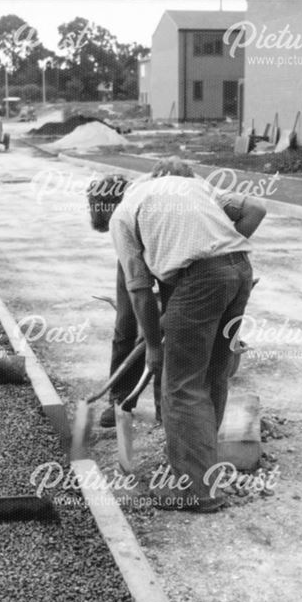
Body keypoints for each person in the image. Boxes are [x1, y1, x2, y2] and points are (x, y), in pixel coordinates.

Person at [90, 171, 266, 512]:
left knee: (181, 387)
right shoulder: (187, 184)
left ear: (108, 207)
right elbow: (255, 208)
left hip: (199, 280)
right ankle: (206, 474)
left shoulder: (123, 216)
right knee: (213, 376)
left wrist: (154, 348)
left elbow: (139, 290)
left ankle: (195, 491)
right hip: (239, 270)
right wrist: (220, 261)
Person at [96, 159, 197, 429]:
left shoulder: (195, 191)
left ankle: (166, 411)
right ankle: (120, 401)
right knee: (126, 326)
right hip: (136, 242)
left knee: (172, 330)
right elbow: (139, 289)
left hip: (172, 249)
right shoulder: (130, 198)